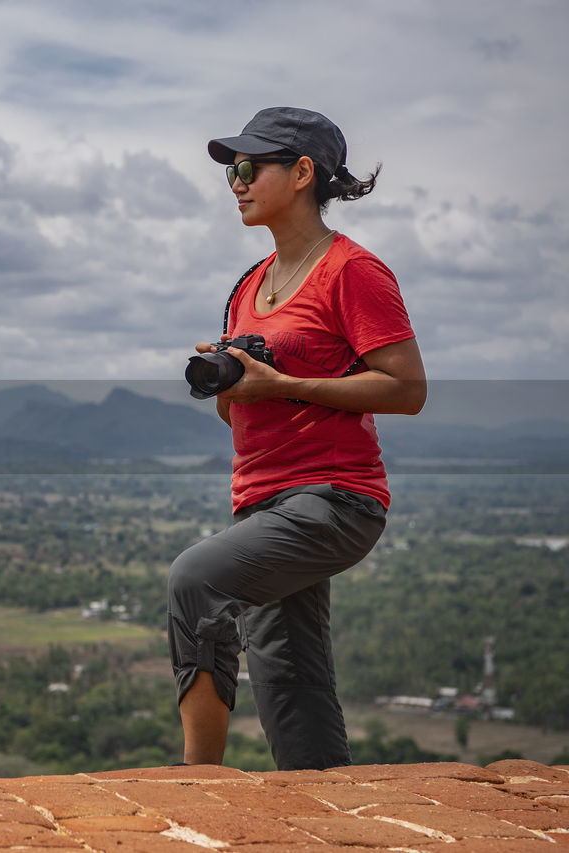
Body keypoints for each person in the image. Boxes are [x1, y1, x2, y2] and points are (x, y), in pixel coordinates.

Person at [167, 107, 427, 770]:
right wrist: (237, 381)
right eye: (232, 169)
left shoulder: (352, 271)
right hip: (261, 500)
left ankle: (198, 781)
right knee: (290, 681)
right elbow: (242, 413)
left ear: (303, 172)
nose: (236, 181)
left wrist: (283, 382)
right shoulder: (247, 286)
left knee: (196, 582)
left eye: (250, 167)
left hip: (336, 499)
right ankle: (330, 814)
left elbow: (406, 388)